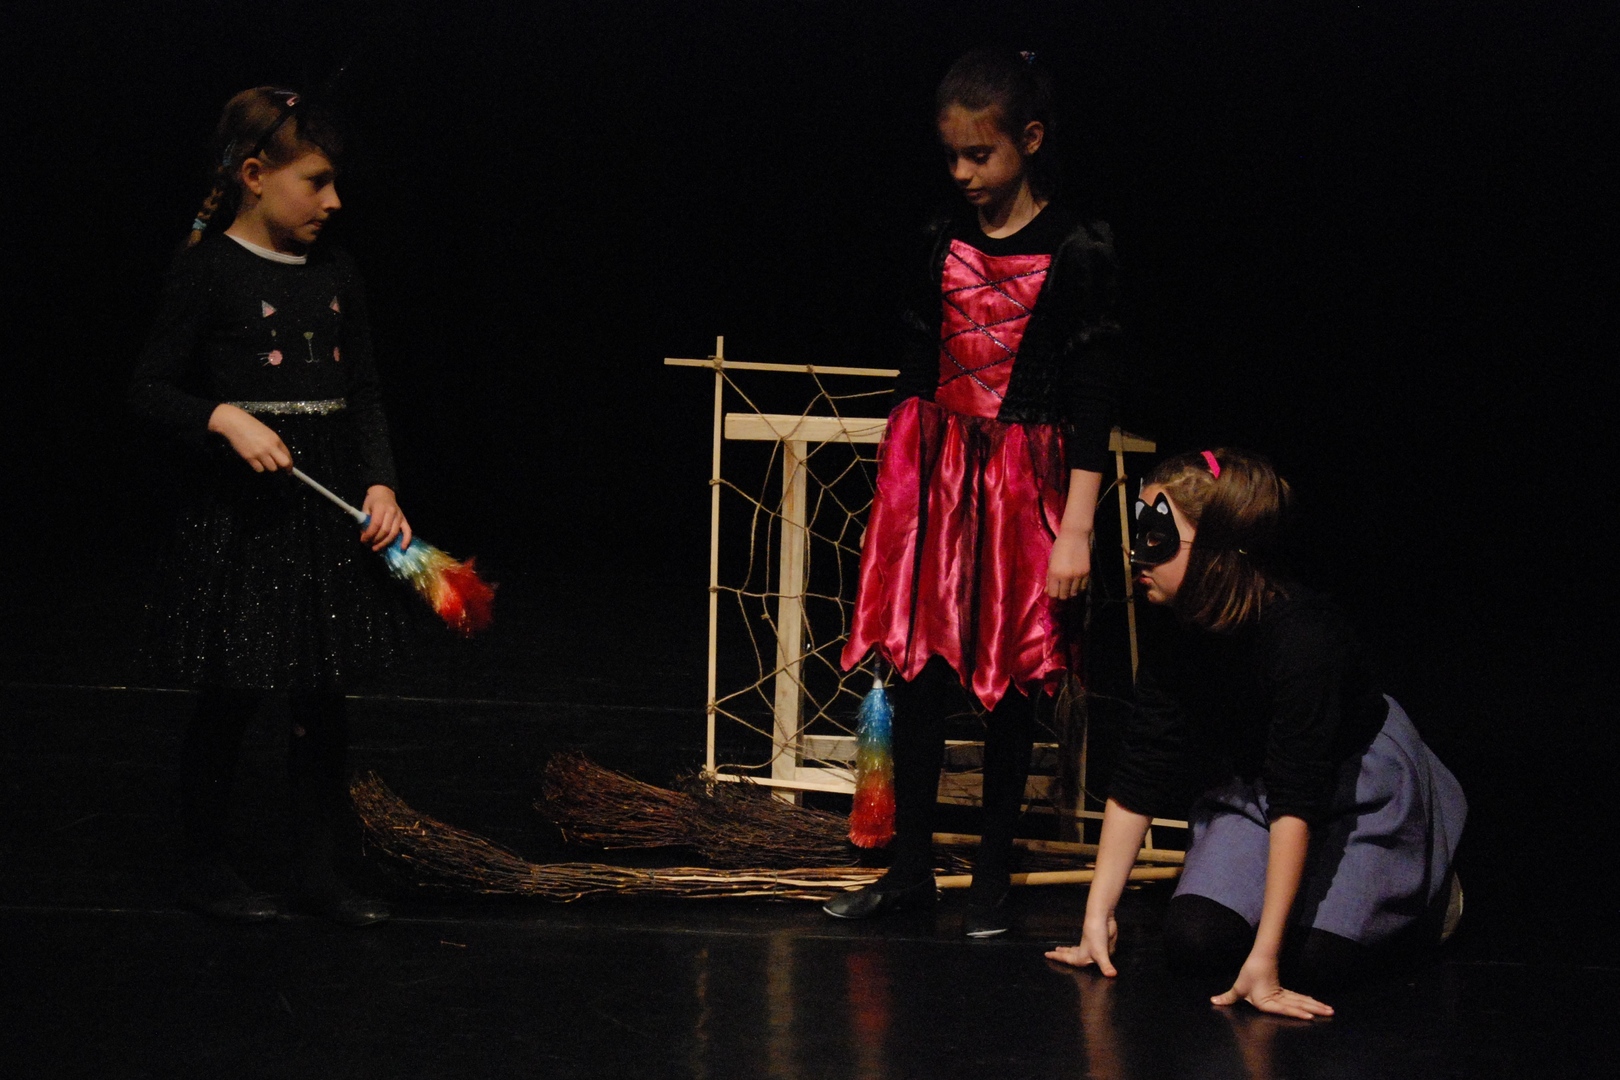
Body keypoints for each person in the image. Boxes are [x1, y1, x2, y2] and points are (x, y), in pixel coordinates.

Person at [826, 47, 1123, 937]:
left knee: (1010, 679)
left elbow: (1094, 402)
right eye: (951, 155)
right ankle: (911, 869)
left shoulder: (1077, 248)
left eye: (979, 155)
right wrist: (901, 500)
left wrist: (1076, 530)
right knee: (921, 672)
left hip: (1024, 486)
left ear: (1029, 140)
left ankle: (991, 873)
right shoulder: (939, 239)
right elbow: (916, 373)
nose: (962, 173)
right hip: (939, 475)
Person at [1046, 449, 1466, 1017]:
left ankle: (1431, 893)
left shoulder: (1304, 638)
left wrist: (1265, 961)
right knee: (1196, 940)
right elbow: (1145, 762)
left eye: (1157, 538)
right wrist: (1098, 916)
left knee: (1315, 960)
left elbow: (1300, 791)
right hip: (1258, 786)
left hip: (1353, 784)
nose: (1136, 555)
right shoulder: (1174, 624)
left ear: (1218, 550)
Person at [130, 86, 412, 927]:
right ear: (255, 175)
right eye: (315, 181)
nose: (334, 200)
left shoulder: (337, 272)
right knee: (232, 695)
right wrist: (222, 416)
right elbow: (148, 388)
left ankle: (318, 873)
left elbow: (363, 391)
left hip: (324, 517)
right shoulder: (207, 268)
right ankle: (203, 867)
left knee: (322, 701)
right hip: (245, 518)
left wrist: (381, 483)